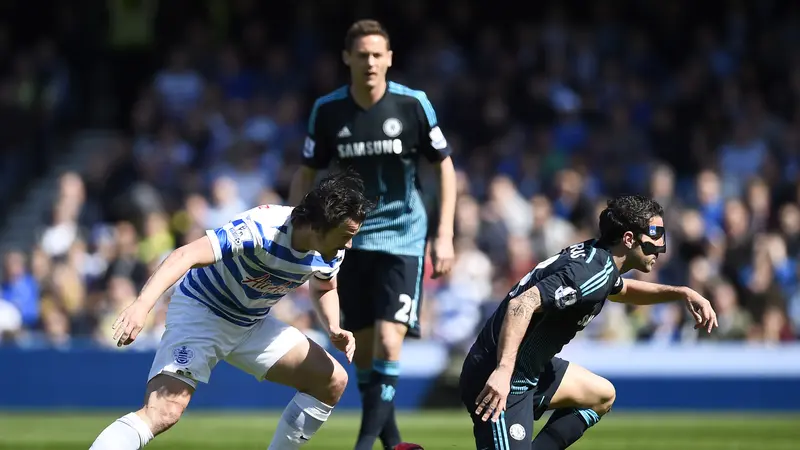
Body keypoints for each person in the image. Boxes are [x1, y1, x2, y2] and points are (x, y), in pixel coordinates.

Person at [90, 170, 373, 450]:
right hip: (203, 311)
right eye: (345, 234)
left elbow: (325, 287)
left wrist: (333, 327)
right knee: (164, 411)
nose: (348, 243)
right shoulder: (262, 228)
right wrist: (142, 305)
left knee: (332, 381)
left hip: (251, 323)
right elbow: (185, 255)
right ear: (319, 225)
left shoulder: (331, 250)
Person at [289, 19, 457, 450]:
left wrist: (445, 233)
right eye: (361, 54)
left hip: (404, 233)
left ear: (389, 59)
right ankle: (394, 441)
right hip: (350, 240)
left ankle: (364, 446)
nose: (369, 62)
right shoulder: (327, 110)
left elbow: (444, 166)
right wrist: (297, 228)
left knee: (388, 339)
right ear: (347, 58)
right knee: (361, 351)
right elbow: (307, 171)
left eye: (377, 54)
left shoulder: (413, 105)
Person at [459, 195, 719, 450]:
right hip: (499, 376)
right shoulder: (590, 273)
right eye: (654, 241)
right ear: (629, 239)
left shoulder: (599, 261)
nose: (660, 250)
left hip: (529, 370)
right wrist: (503, 371)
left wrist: (682, 292)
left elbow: (621, 289)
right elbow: (522, 304)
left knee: (600, 396)